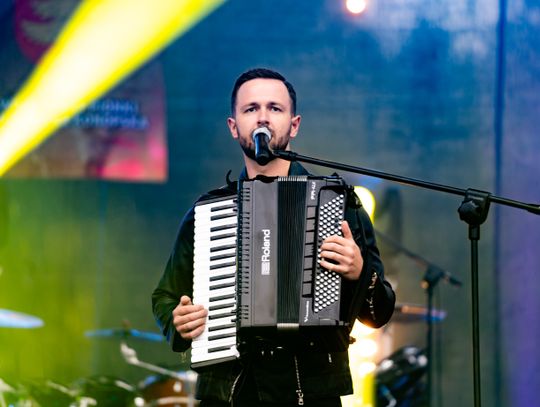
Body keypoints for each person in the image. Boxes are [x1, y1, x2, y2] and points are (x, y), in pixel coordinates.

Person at [152, 68, 396, 407]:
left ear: (294, 125)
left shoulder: (340, 204)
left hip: (310, 392)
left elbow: (379, 312)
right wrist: (177, 321)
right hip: (231, 391)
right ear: (234, 126)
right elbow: (165, 296)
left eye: (274, 108)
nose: (263, 117)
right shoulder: (209, 212)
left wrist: (359, 273)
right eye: (251, 108)